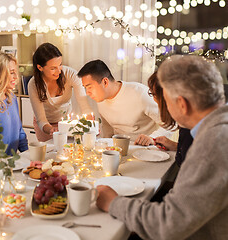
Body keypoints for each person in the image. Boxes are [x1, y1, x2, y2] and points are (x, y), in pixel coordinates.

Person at [96, 55, 228, 239]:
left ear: (181, 104)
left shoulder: (213, 144)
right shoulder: (217, 129)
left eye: (165, 99)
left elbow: (168, 225)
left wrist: (114, 203)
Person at [77, 59, 171, 144]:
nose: (87, 93)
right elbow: (108, 131)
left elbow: (169, 125)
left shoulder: (140, 94)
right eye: (85, 88)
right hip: (118, 148)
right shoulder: (100, 100)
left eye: (89, 87)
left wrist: (152, 138)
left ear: (105, 82)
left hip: (144, 149)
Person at [28, 43, 93, 141]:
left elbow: (85, 107)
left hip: (66, 122)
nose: (59, 71)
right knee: (50, 152)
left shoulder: (71, 75)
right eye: (53, 68)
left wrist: (91, 125)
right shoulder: (33, 84)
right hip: (46, 126)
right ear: (40, 67)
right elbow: (41, 120)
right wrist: (51, 129)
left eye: (60, 65)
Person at [147, 72, 193, 167]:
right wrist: (176, 146)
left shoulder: (191, 129)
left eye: (155, 95)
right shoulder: (187, 125)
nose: (155, 101)